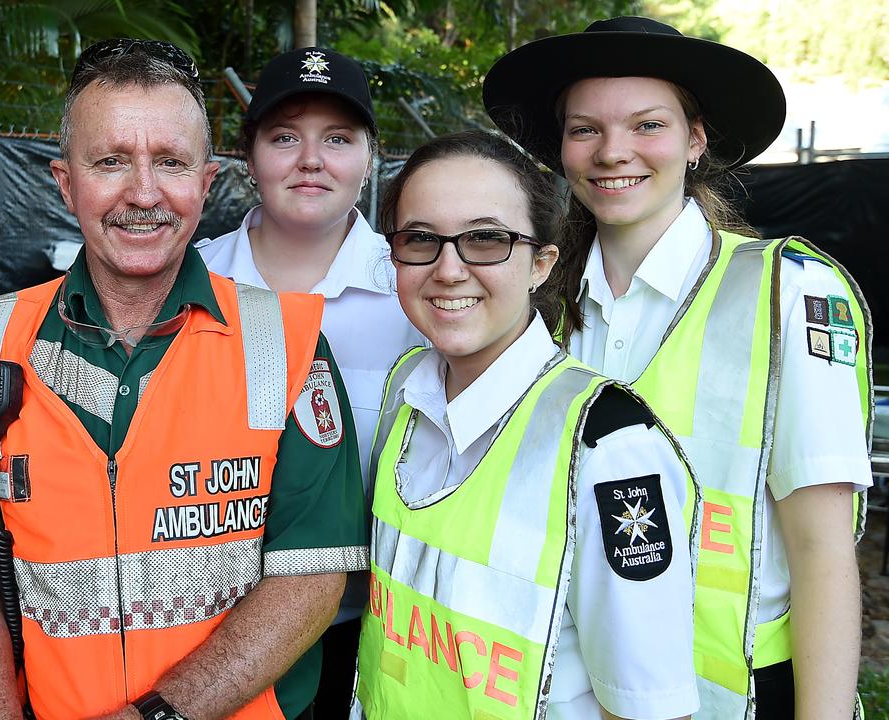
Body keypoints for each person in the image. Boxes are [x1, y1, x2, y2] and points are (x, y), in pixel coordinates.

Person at [0, 39, 368, 720]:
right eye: (111, 161)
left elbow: (312, 577)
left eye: (171, 163)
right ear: (65, 183)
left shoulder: (284, 344)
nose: (143, 193)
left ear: (207, 183)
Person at [483, 16, 871, 720]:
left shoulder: (787, 294)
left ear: (696, 140)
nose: (613, 152)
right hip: (575, 695)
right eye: (585, 129)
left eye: (647, 125)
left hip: (742, 698)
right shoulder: (535, 311)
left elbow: (822, 553)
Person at [352, 131, 700, 720]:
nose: (448, 269)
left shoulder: (608, 446)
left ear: (541, 263)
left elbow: (649, 708)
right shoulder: (405, 388)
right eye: (421, 240)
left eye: (486, 239)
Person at [195, 46, 423, 712]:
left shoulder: (416, 290)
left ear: (371, 156)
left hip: (365, 625)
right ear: (248, 155)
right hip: (207, 624)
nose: (311, 160)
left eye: (339, 139)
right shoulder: (192, 280)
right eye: (285, 137)